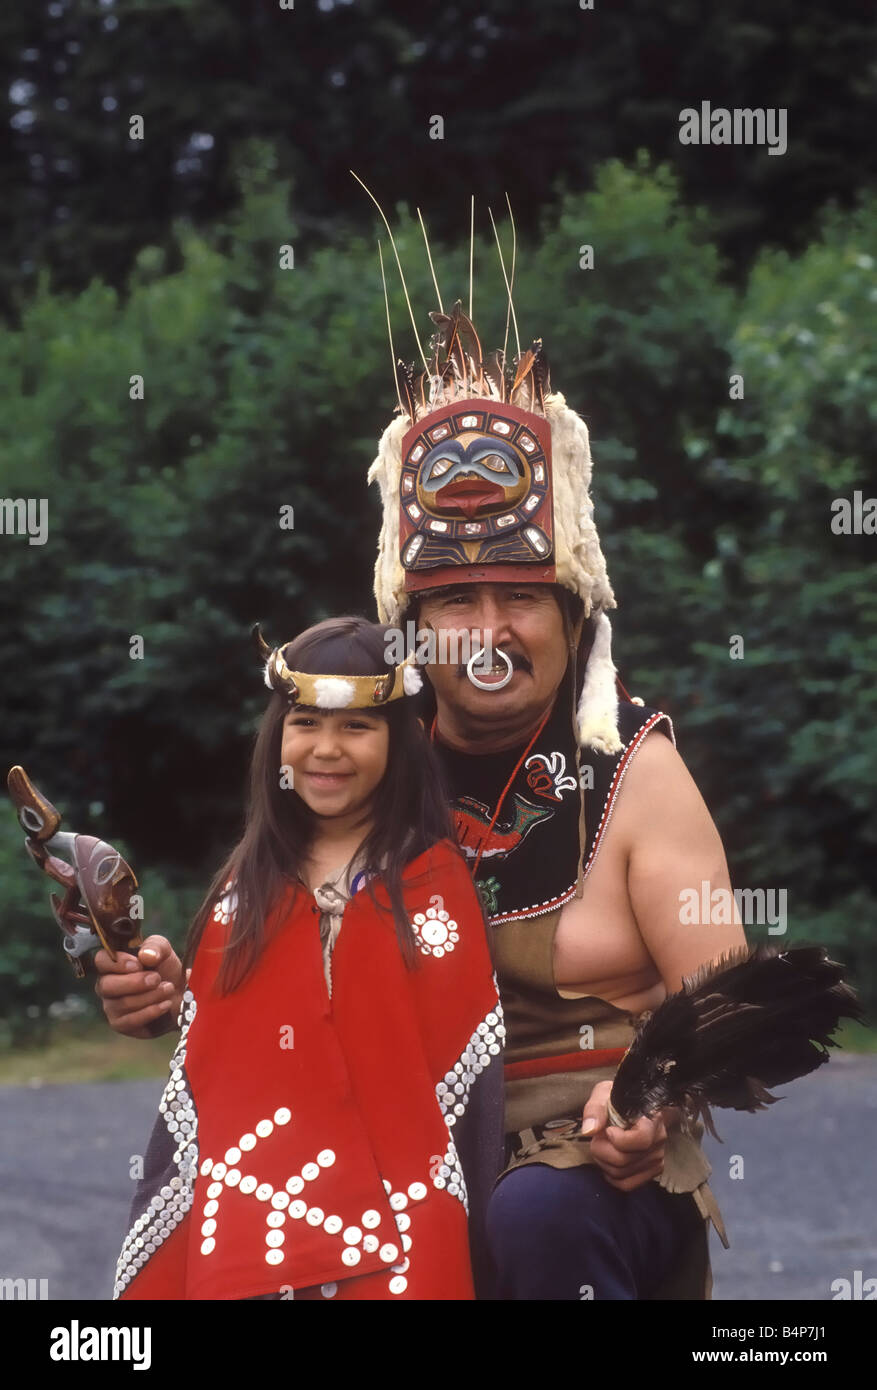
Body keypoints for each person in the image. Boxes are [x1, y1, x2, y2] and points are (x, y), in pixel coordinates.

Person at [365, 296, 747, 1299]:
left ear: (572, 616)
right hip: (408, 1162)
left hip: (584, 1173)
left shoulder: (637, 770)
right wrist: (160, 983)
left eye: (521, 595)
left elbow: (725, 992)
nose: (487, 628)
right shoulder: (369, 769)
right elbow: (270, 950)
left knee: (532, 1212)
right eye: (453, 599)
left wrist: (656, 1096)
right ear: (415, 624)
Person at [102, 616, 504, 1301]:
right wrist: (160, 994)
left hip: (399, 1200)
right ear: (276, 737)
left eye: (356, 727)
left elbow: (460, 1090)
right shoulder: (243, 889)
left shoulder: (432, 883)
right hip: (250, 1199)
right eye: (305, 724)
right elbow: (221, 1056)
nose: (325, 750)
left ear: (399, 740)